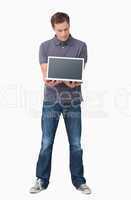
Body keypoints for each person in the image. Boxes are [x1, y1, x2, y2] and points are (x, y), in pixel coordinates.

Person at [30, 12, 91, 195]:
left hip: (72, 101)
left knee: (76, 144)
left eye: (66, 29)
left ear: (69, 25)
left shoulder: (81, 46)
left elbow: (79, 75)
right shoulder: (45, 47)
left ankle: (79, 181)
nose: (63, 33)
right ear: (53, 29)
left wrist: (75, 83)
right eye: (60, 30)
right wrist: (50, 81)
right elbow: (45, 73)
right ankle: (41, 179)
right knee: (46, 142)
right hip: (51, 101)